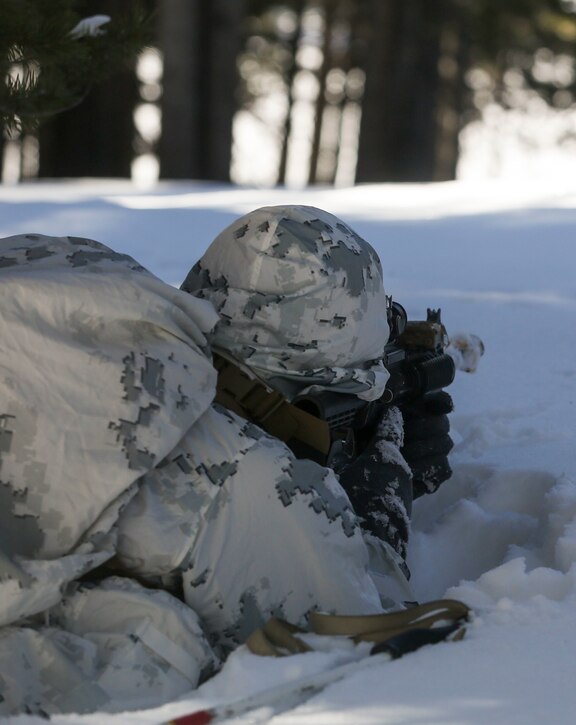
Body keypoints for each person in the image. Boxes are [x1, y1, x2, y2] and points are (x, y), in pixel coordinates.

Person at [0, 206, 454, 716]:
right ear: (302, 392)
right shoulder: (245, 477)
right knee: (161, 637)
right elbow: (368, 635)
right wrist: (379, 514)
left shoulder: (78, 270)